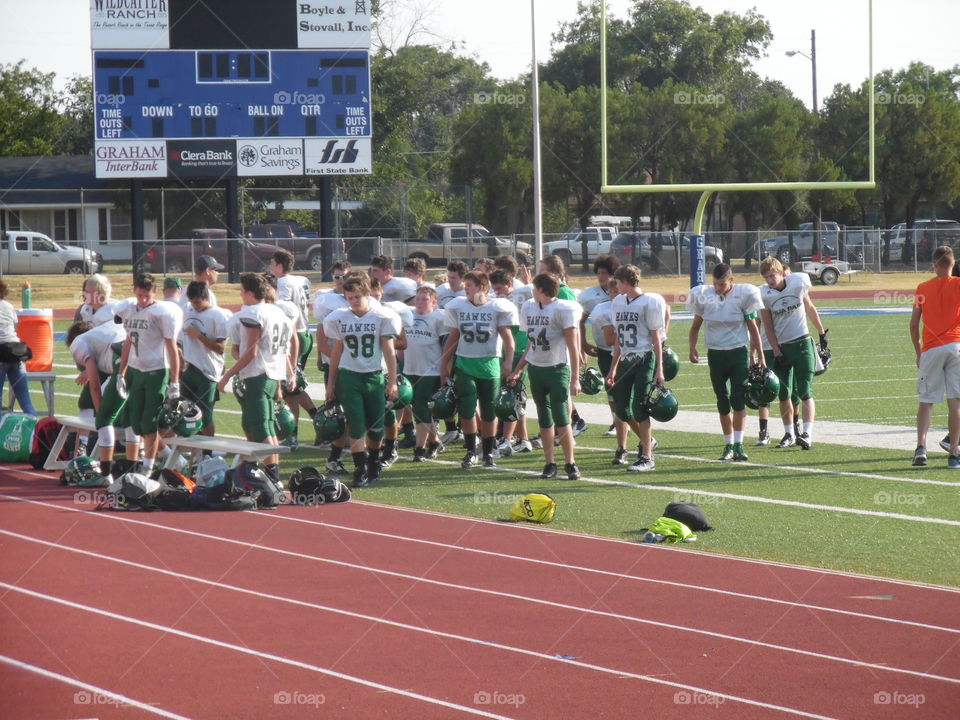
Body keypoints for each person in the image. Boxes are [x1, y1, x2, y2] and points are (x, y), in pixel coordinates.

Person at [323, 274, 401, 487]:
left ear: (367, 295)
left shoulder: (381, 317)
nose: (354, 301)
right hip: (349, 378)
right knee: (356, 424)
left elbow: (389, 351)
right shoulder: (340, 318)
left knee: (376, 428)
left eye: (357, 296)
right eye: (350, 298)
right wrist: (330, 384)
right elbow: (336, 353)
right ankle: (360, 469)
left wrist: (392, 381)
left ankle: (374, 462)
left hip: (374, 377)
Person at [217, 273, 295, 484]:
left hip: (258, 377)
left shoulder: (253, 313)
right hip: (271, 376)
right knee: (263, 426)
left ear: (250, 292)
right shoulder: (277, 312)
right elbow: (281, 353)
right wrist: (282, 381)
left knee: (261, 428)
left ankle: (272, 477)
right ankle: (262, 472)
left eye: (242, 290)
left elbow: (251, 352)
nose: (241, 294)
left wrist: (226, 377)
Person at [687, 263, 765, 462]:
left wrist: (759, 355)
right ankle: (728, 444)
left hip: (738, 353)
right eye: (715, 284)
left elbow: (753, 327)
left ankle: (739, 444)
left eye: (722, 284)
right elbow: (695, 326)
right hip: (715, 355)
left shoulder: (743, 295)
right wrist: (692, 347)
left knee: (738, 399)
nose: (717, 288)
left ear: (731, 281)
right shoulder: (705, 296)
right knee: (722, 400)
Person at [508, 273, 582, 480]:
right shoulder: (529, 306)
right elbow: (532, 342)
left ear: (541, 289)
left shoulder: (563, 308)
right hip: (536, 369)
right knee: (544, 418)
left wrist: (575, 378)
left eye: (534, 287)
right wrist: (519, 369)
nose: (532, 291)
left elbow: (573, 346)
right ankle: (550, 463)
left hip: (558, 369)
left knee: (561, 417)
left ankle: (570, 462)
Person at [441, 270, 516, 468]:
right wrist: (444, 365)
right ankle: (470, 451)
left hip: (490, 364)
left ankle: (488, 452)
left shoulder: (496, 307)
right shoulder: (459, 306)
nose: (465, 289)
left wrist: (508, 362)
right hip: (465, 364)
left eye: (469, 286)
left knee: (489, 411)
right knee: (466, 409)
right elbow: (453, 338)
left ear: (481, 287)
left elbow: (508, 339)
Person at [117, 274, 182, 475]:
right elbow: (128, 342)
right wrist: (121, 373)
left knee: (149, 422)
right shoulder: (129, 310)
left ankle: (147, 467)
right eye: (140, 295)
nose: (143, 299)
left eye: (147, 296)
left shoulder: (162, 313)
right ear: (134, 291)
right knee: (136, 424)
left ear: (154, 293)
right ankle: (170, 457)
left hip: (157, 371)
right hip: (137, 370)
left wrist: (174, 381)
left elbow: (172, 347)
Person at [758, 258, 826, 450]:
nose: (769, 280)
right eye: (766, 277)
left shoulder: (797, 283)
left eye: (772, 275)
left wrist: (821, 333)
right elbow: (768, 327)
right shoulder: (765, 294)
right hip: (782, 347)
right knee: (784, 392)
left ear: (781, 273)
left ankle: (807, 434)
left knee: (805, 391)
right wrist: (777, 351)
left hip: (802, 342)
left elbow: (810, 308)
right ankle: (789, 433)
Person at [602, 265, 665, 471]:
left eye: (618, 283)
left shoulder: (649, 302)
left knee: (640, 407)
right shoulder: (618, 302)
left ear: (625, 282)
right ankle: (648, 442)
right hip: (626, 360)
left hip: (644, 358)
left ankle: (647, 457)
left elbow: (656, 338)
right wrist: (613, 367)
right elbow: (619, 339)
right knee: (621, 408)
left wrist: (659, 369)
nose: (616, 287)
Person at [910, 245, 960, 468]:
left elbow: (913, 325)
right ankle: (954, 453)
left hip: (931, 348)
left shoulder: (923, 287)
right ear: (953, 264)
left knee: (926, 401)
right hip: (956, 345)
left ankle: (921, 447)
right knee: (955, 401)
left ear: (934, 265)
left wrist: (918, 351)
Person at [181, 281, 232, 442]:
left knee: (205, 414)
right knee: (184, 412)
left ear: (206, 298)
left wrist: (199, 336)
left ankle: (208, 450)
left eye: (197, 302)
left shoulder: (218, 315)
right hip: (188, 368)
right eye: (192, 301)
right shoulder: (187, 309)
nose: (194, 306)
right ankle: (191, 448)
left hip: (207, 370)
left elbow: (220, 348)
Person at [586, 278, 630, 461]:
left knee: (628, 403)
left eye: (617, 292)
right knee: (616, 399)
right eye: (611, 292)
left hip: (632, 356)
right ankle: (628, 443)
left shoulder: (637, 305)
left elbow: (665, 311)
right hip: (608, 354)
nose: (614, 296)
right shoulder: (602, 309)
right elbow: (610, 340)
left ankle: (640, 443)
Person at [404, 285, 447, 461]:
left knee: (421, 407)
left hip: (430, 369)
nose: (420, 302)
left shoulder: (438, 318)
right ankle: (434, 441)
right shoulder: (408, 315)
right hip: (409, 367)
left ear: (434, 302)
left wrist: (445, 370)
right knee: (416, 407)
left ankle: (419, 448)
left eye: (425, 299)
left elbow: (446, 346)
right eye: (418, 299)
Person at [580, 256, 620, 437]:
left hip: (625, 349)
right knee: (610, 387)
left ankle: (627, 420)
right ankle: (616, 421)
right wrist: (583, 343)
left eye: (605, 272)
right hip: (604, 349)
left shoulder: (624, 292)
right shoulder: (590, 296)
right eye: (599, 273)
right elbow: (580, 321)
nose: (601, 276)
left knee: (624, 387)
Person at [0, 280, 37, 416]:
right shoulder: (8, 306)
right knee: (25, 399)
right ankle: (35, 426)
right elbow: (15, 325)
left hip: (2, 353)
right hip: (16, 352)